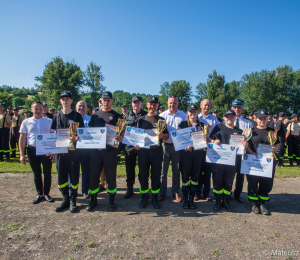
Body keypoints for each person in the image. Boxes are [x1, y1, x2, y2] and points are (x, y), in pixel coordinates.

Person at [86, 91, 123, 212]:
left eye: (108, 100)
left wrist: (120, 137)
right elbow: (89, 132)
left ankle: (111, 200)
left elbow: (122, 132)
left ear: (112, 101)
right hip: (95, 152)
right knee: (94, 176)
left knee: (111, 177)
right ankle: (93, 200)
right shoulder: (94, 115)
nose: (106, 102)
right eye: (104, 100)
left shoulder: (118, 116)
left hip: (110, 151)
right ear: (101, 101)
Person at [51, 92, 84, 213]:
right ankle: (65, 199)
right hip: (60, 152)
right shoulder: (57, 116)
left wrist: (77, 137)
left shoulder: (77, 115)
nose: (65, 101)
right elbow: (52, 133)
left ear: (71, 101)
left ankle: (73, 200)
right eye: (62, 99)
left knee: (74, 175)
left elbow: (82, 132)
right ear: (60, 101)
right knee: (61, 176)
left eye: (67, 99)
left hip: (73, 152)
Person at [134, 96, 169, 209]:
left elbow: (167, 136)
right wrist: (135, 145)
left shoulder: (161, 120)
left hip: (156, 152)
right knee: (143, 176)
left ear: (157, 106)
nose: (152, 106)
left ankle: (155, 198)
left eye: (155, 105)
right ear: (147, 105)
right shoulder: (141, 119)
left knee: (156, 176)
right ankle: (144, 197)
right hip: (143, 152)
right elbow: (137, 136)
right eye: (151, 104)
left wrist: (162, 135)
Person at [208, 109, 247, 212]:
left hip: (232, 161)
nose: (230, 118)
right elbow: (209, 138)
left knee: (228, 182)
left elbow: (241, 147)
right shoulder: (218, 127)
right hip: (219, 160)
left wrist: (244, 145)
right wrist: (213, 140)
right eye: (227, 116)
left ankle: (226, 201)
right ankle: (217, 201)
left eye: (232, 116)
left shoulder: (239, 131)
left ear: (235, 117)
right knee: (217, 181)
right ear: (224, 117)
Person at [19, 101, 55, 204]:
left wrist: (53, 152)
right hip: (32, 150)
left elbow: (53, 137)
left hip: (46, 151)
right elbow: (22, 138)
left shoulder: (49, 121)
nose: (38, 111)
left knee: (47, 173)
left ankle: (47, 193)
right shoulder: (26, 122)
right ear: (31, 109)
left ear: (43, 109)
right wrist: (22, 154)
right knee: (36, 173)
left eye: (40, 109)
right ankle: (39, 193)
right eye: (36, 109)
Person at [245, 109, 279, 215]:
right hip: (254, 160)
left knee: (266, 182)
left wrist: (274, 148)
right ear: (256, 119)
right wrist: (250, 151)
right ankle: (254, 203)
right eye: (260, 119)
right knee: (253, 182)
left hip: (267, 161)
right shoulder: (251, 131)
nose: (262, 121)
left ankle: (263, 203)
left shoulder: (271, 131)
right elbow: (247, 145)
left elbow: (277, 143)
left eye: (264, 118)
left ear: (267, 119)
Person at [158, 95, 187, 202]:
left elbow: (187, 130)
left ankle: (175, 192)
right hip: (165, 145)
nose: (172, 105)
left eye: (174, 103)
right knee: (163, 171)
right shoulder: (162, 115)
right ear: (167, 103)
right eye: (170, 103)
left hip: (178, 147)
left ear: (178, 104)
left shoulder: (183, 115)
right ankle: (162, 192)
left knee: (176, 171)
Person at [178, 104, 204, 209]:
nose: (193, 113)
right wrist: (184, 146)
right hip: (185, 154)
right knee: (185, 177)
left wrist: (205, 140)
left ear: (197, 112)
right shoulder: (182, 124)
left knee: (195, 177)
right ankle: (185, 199)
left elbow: (205, 138)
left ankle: (192, 199)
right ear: (187, 113)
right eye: (191, 111)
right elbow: (179, 139)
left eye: (195, 111)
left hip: (198, 154)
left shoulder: (202, 125)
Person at [122, 96, 147, 199]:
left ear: (141, 104)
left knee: (143, 170)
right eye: (134, 102)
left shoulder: (146, 115)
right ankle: (129, 189)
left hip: (143, 148)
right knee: (129, 169)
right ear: (131, 104)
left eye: (138, 102)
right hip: (129, 147)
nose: (136, 104)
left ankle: (143, 190)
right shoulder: (126, 116)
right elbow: (122, 130)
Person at [195, 99, 220, 201]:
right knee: (198, 171)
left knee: (207, 172)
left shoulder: (214, 119)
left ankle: (206, 193)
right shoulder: (196, 118)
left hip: (210, 149)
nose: (207, 107)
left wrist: (215, 140)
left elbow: (218, 132)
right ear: (201, 106)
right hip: (198, 148)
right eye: (205, 105)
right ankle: (197, 192)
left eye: (209, 105)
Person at [231, 99, 253, 203]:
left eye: (239, 107)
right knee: (229, 175)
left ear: (242, 109)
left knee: (240, 175)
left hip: (242, 153)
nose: (237, 109)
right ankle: (227, 193)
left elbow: (251, 139)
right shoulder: (227, 121)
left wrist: (247, 145)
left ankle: (237, 194)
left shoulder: (248, 123)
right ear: (232, 108)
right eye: (235, 107)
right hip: (230, 153)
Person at [75, 101, 91, 199]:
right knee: (74, 170)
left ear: (86, 108)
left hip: (86, 149)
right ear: (76, 107)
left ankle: (85, 191)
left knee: (86, 171)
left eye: (83, 106)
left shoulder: (90, 119)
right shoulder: (72, 118)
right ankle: (73, 190)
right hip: (74, 149)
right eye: (79, 106)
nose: (81, 108)